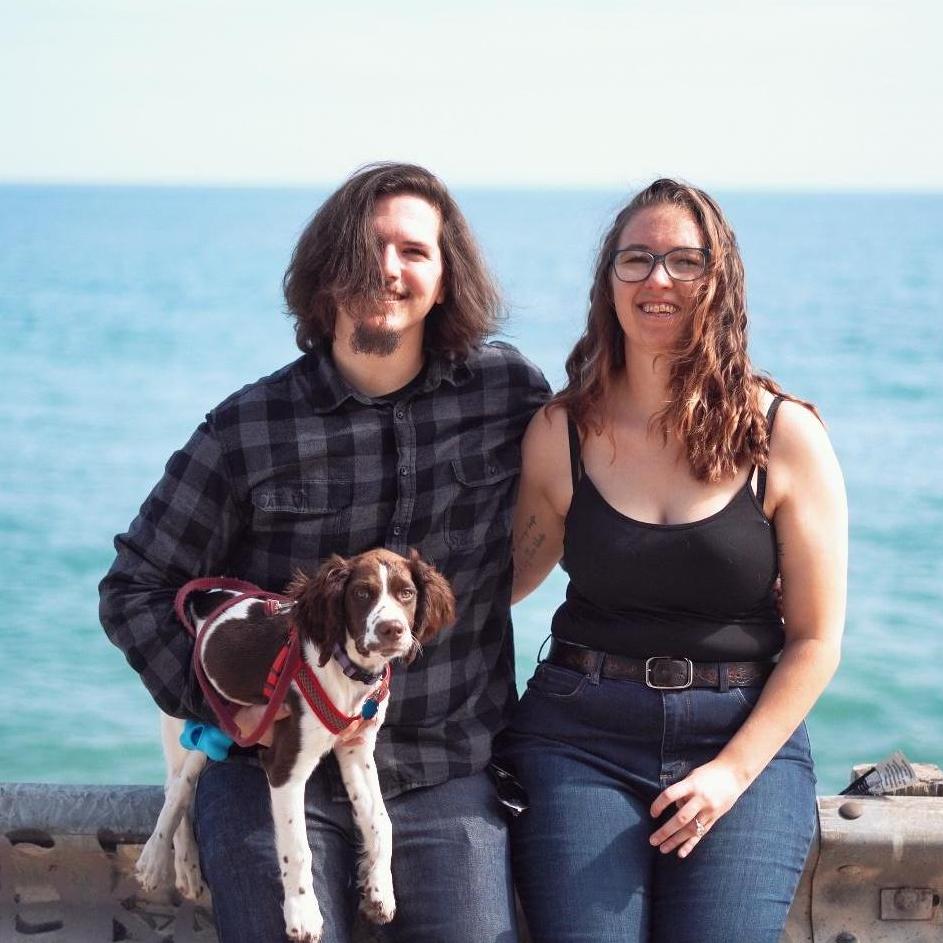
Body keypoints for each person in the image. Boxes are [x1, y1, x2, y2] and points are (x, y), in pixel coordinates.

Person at [99, 162, 549, 943]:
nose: (387, 269)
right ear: (324, 272)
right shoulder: (248, 427)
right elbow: (134, 587)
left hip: (442, 771)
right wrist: (224, 700)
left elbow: (605, 449)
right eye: (366, 248)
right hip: (272, 774)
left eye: (414, 251)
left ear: (446, 279)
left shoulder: (506, 393)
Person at [499, 179, 846, 943]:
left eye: (684, 260)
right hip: (578, 733)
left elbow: (816, 639)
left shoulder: (782, 435)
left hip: (740, 736)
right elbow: (504, 582)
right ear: (609, 281)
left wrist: (729, 772)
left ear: (719, 280)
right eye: (636, 259)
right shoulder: (559, 432)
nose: (657, 278)